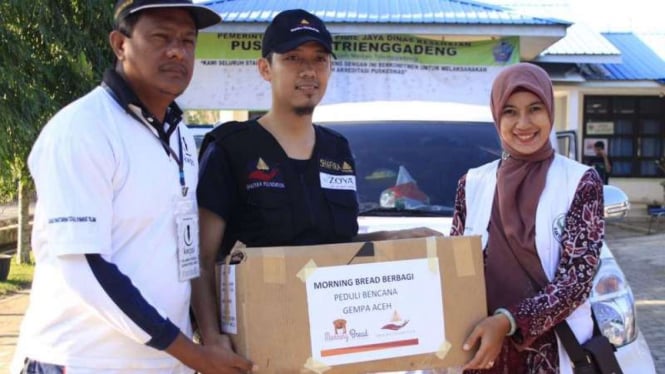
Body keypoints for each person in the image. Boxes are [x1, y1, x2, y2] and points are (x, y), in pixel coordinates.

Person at [11, 1, 254, 373]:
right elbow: (85, 266)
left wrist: (207, 335)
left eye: (188, 41)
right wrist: (192, 354)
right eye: (160, 37)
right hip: (80, 362)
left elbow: (187, 254)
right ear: (120, 44)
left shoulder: (180, 137)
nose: (177, 50)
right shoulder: (83, 129)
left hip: (162, 363)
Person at [193, 8, 439, 357]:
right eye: (293, 58)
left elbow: (334, 244)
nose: (308, 70)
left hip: (335, 343)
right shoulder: (232, 149)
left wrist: (394, 238)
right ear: (266, 68)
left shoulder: (337, 150)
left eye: (319, 59)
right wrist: (212, 338)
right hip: (256, 349)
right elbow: (200, 258)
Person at [450, 63, 604, 373]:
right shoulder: (473, 183)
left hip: (551, 352)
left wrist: (508, 321)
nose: (523, 123)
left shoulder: (581, 182)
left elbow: (576, 281)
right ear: (497, 116)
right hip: (480, 349)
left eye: (535, 108)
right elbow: (454, 270)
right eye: (509, 111)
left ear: (550, 110)